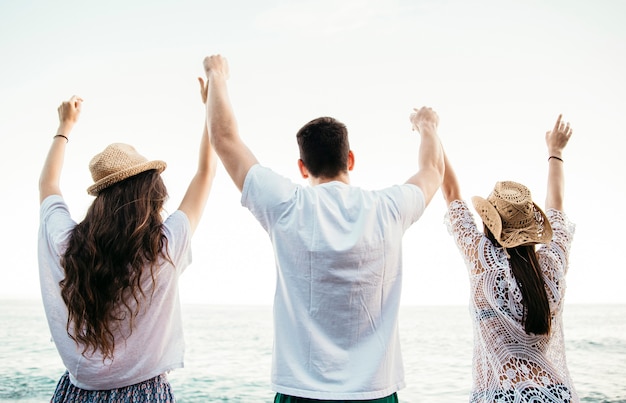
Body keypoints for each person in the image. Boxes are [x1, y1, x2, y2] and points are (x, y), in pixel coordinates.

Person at [201, 54, 445, 402]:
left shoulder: (287, 206)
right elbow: (434, 169)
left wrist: (217, 76)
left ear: (302, 167)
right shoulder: (388, 209)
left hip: (300, 392)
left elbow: (224, 138)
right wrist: (426, 125)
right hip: (374, 393)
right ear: (350, 159)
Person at [38, 85, 217, 402]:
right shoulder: (164, 246)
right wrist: (210, 108)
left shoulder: (67, 242)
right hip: (144, 394)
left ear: (100, 198)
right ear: (152, 193)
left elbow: (48, 184)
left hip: (77, 394)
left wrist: (64, 127)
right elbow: (205, 173)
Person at [441, 115, 578, 402]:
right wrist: (556, 152)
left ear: (489, 223)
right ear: (532, 230)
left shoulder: (483, 262)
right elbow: (557, 206)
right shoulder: (551, 265)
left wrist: (431, 131)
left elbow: (452, 193)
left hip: (504, 395)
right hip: (556, 394)